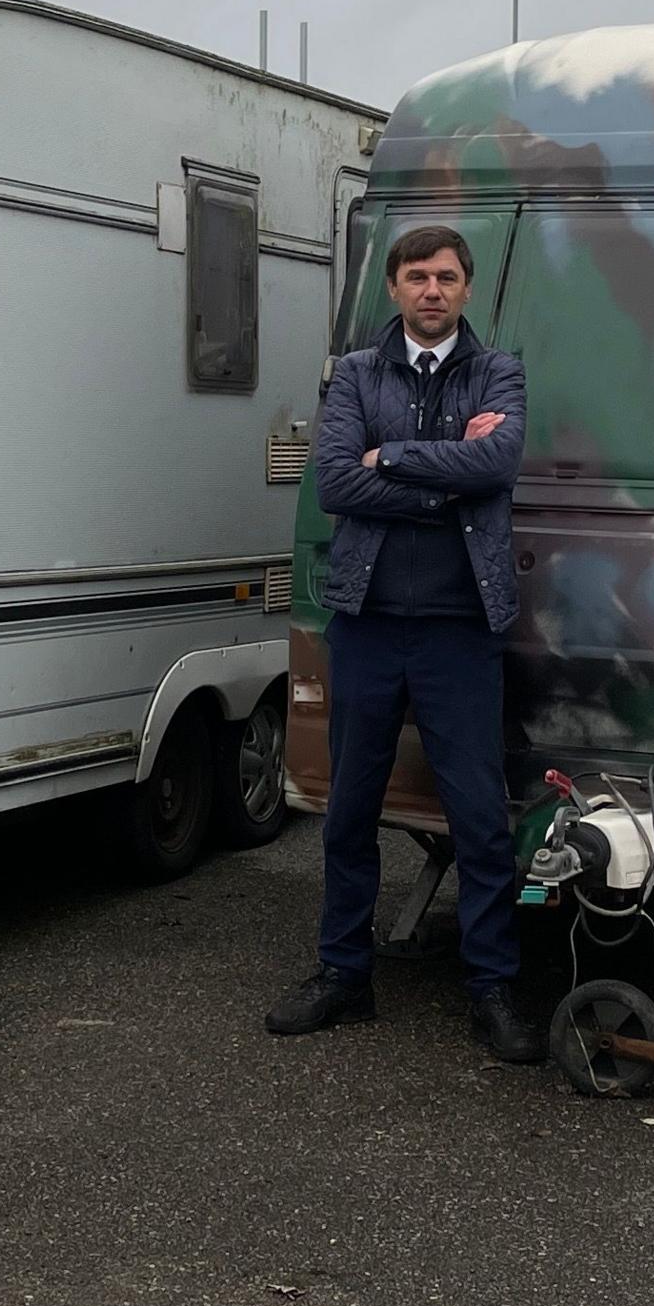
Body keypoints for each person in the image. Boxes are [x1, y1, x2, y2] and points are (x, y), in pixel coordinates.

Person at [267, 223, 542, 1064]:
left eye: (447, 277)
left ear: (467, 290)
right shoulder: (356, 373)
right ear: (393, 287)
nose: (432, 289)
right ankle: (344, 975)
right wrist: (441, 475)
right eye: (417, 276)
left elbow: (496, 463)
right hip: (370, 624)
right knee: (349, 812)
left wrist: (397, 461)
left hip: (461, 631)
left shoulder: (500, 371)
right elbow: (337, 479)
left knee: (480, 821)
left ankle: (491, 989)